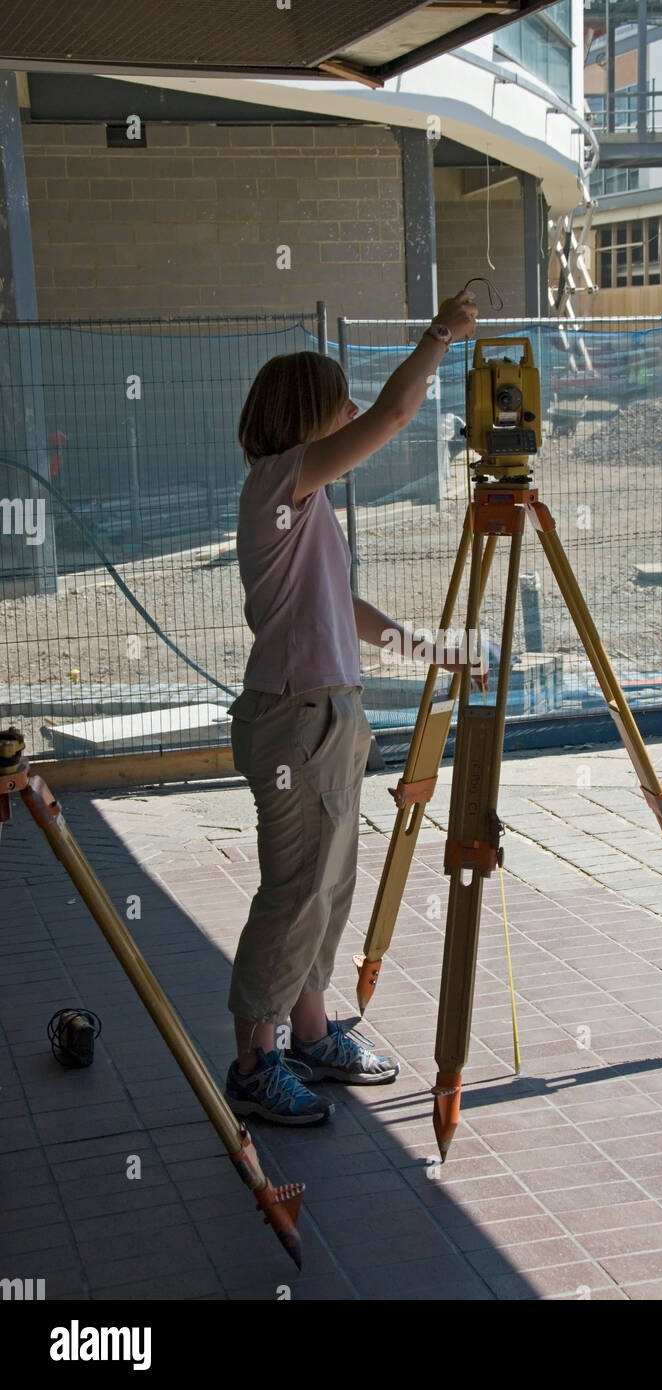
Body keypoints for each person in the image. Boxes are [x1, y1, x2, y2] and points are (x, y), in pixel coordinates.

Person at [224, 289, 479, 1125]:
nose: (357, 413)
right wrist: (440, 333)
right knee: (295, 890)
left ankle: (307, 1030)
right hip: (298, 718)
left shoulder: (305, 506)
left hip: (326, 713)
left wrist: (425, 649)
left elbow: (345, 606)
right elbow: (399, 414)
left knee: (327, 886)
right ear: (310, 417)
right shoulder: (277, 484)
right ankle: (254, 1058)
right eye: (342, 404)